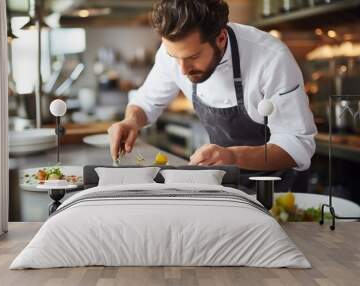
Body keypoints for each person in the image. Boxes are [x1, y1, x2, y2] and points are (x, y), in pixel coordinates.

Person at [108, 0, 317, 192]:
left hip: (278, 190)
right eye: (175, 58)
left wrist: (232, 156)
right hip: (225, 186)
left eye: (193, 57)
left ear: (220, 38)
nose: (182, 70)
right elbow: (146, 103)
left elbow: (297, 145)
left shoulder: (270, 58)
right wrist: (131, 121)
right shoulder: (172, 52)